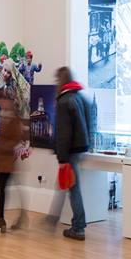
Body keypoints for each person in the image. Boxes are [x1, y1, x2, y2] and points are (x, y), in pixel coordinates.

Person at [49, 67, 92, 241]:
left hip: (70, 151)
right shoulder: (80, 97)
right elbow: (90, 122)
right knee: (68, 186)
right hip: (81, 148)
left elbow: (64, 132)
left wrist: (62, 158)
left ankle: (78, 226)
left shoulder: (64, 101)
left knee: (72, 188)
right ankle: (53, 219)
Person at [0, 96, 27, 234]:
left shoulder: (13, 120)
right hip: (0, 160)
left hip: (7, 161)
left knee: (2, 191)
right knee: (1, 191)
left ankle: (2, 219)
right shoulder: (1, 117)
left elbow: (15, 139)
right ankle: (1, 219)